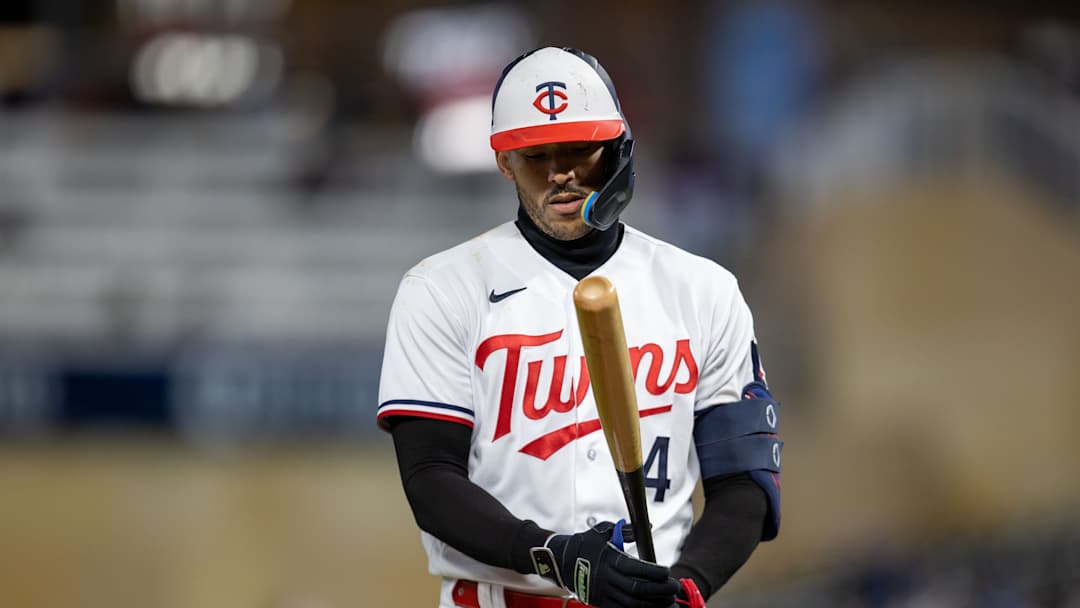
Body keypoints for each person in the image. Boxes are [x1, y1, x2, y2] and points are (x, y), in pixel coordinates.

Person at [377, 47, 783, 608]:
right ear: (503, 162)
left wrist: (689, 584)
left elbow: (744, 480)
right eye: (535, 155)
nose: (560, 172)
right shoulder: (442, 287)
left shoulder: (702, 288)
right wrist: (552, 554)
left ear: (617, 147)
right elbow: (430, 477)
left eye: (578, 149)